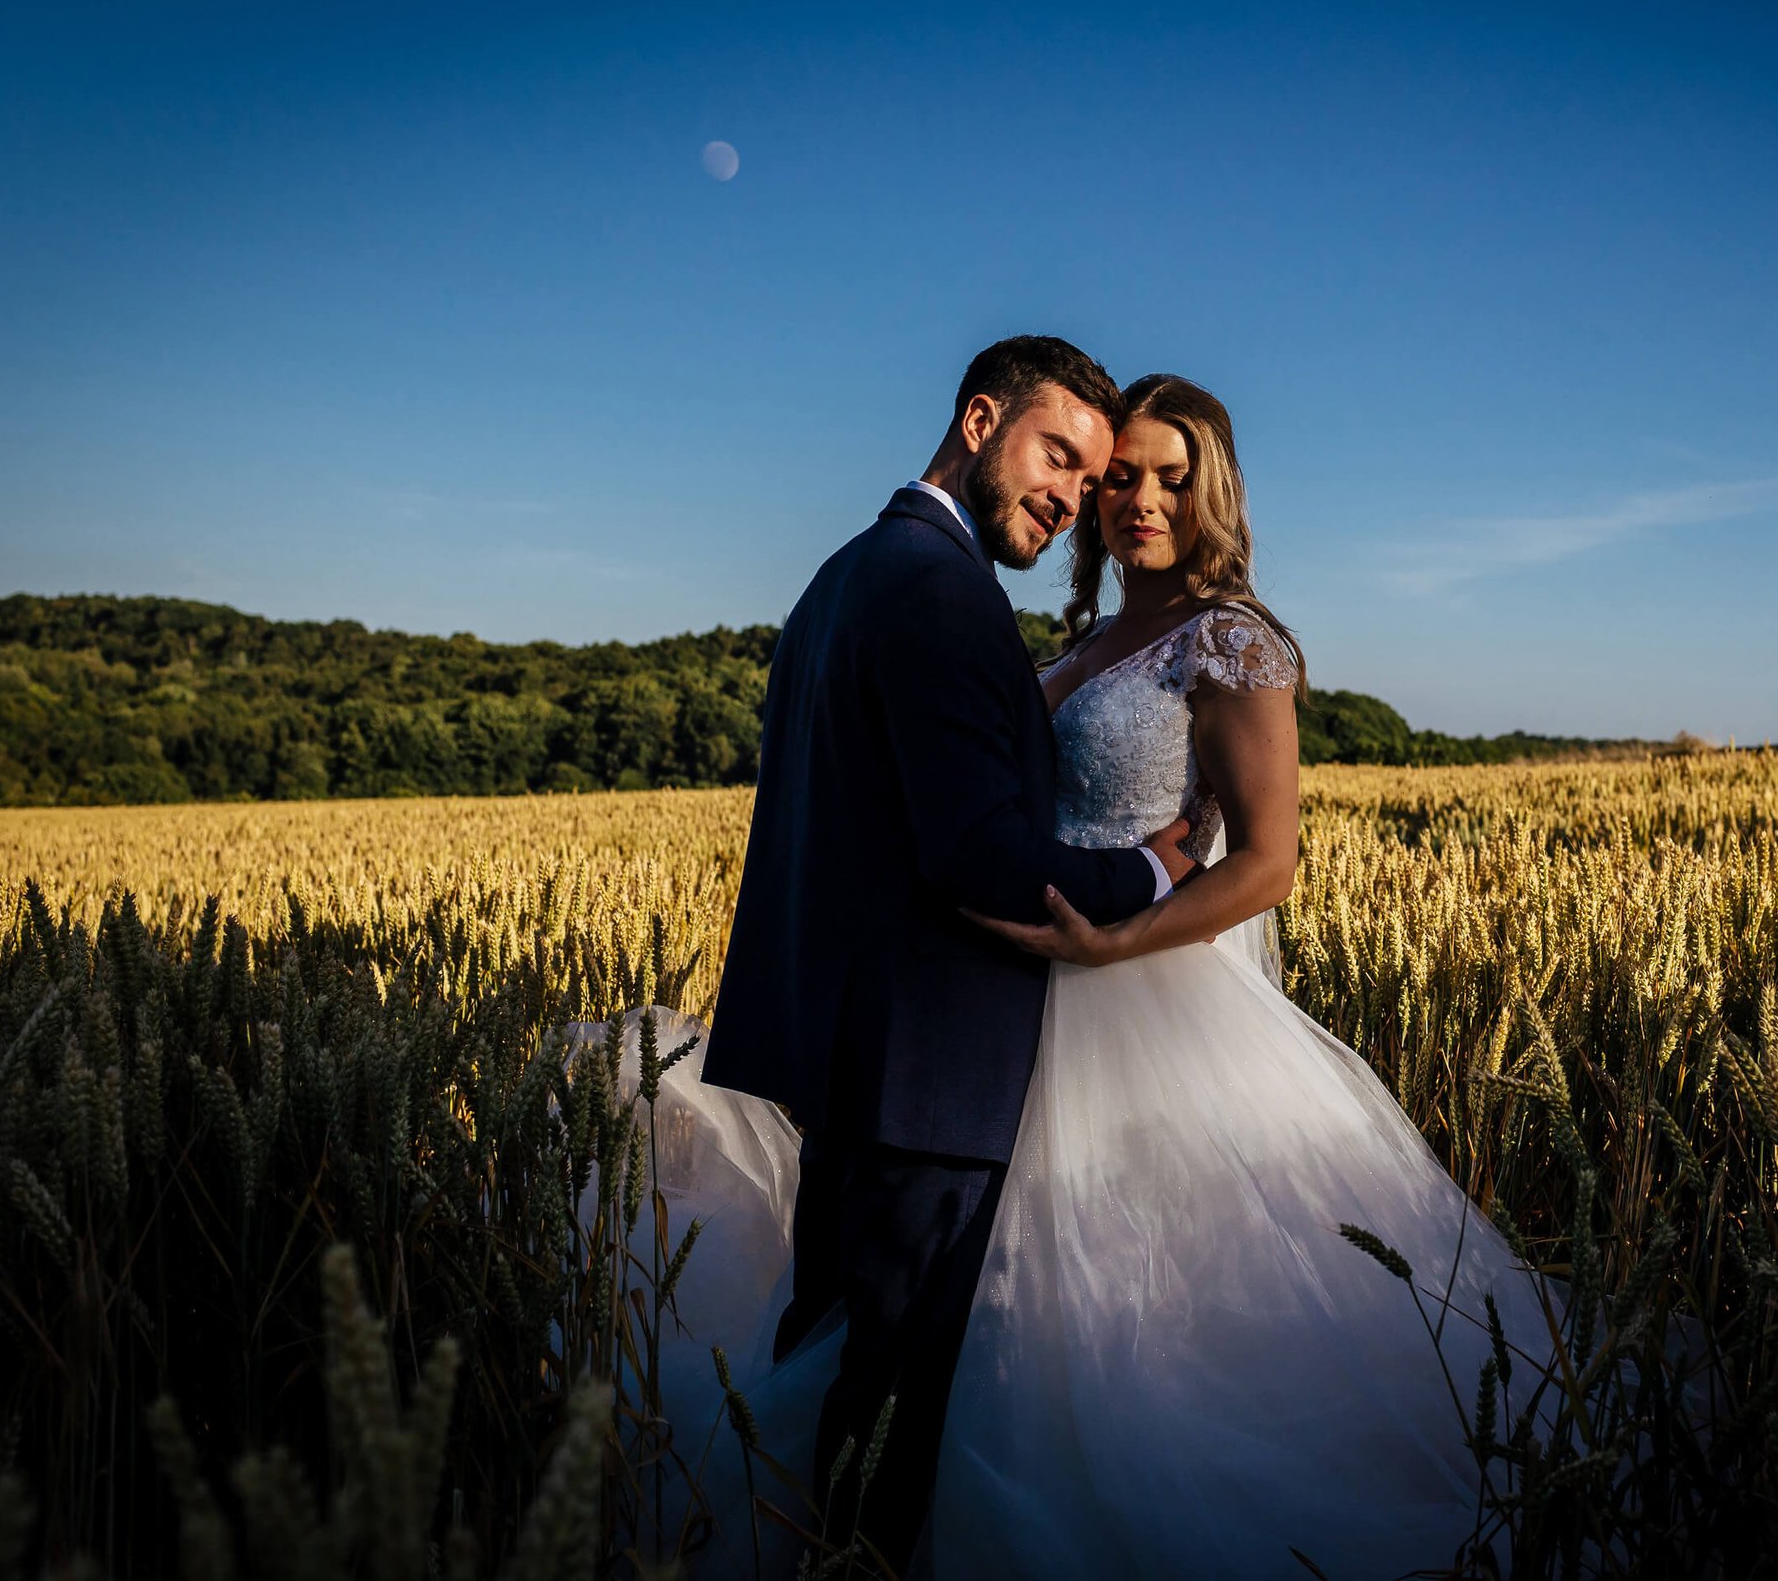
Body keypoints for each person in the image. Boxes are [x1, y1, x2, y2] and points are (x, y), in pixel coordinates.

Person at [657, 358, 1570, 1577]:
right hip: (1013, 995)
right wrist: (1107, 896)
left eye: (1166, 477)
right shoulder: (1073, 633)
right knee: (971, 1313)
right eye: (1111, 475)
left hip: (1134, 991)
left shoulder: (1233, 641)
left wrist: (1125, 929)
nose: (1135, 497)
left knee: (1132, 1306)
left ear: (1213, 491)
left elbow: (1264, 861)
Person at [695, 335, 1197, 1568]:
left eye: (1090, 477)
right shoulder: (935, 586)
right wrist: (1158, 866)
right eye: (1055, 454)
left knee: (831, 1397)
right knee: (889, 1430)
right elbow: (977, 855)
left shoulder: (845, 573)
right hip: (930, 1088)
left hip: (855, 1073)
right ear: (979, 420)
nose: (1072, 496)